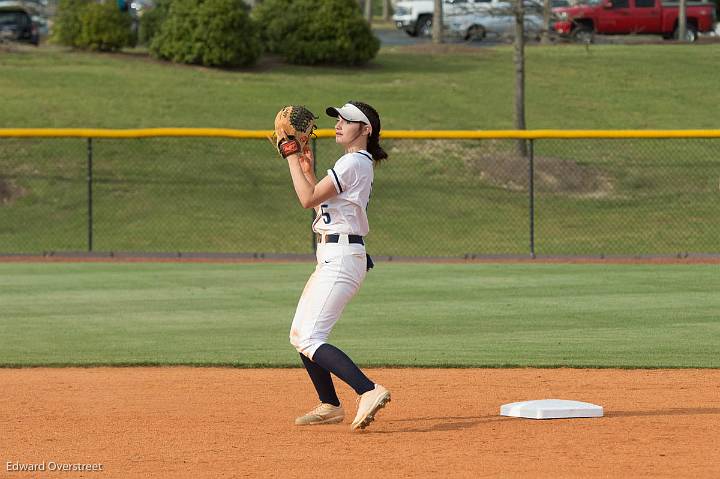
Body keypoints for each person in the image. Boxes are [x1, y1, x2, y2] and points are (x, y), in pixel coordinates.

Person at [284, 101, 390, 431]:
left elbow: (306, 199)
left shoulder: (354, 162)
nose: (339, 124)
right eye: (337, 119)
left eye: (348, 120)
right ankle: (329, 404)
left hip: (341, 258)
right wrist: (306, 170)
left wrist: (290, 157)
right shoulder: (352, 163)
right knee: (301, 333)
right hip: (336, 255)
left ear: (366, 129)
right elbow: (324, 204)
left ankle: (368, 389)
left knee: (309, 337)